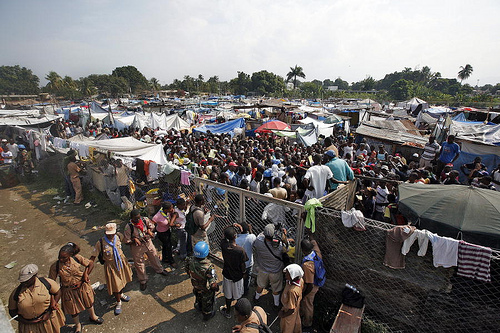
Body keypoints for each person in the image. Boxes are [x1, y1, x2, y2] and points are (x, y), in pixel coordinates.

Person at [49, 242, 103, 332]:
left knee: (88, 302)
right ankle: (78, 325)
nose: (61, 259)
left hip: (82, 286)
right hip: (68, 291)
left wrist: (83, 278)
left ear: (70, 255)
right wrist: (53, 299)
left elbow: (90, 264)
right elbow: (51, 283)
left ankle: (93, 316)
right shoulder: (55, 266)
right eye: (60, 257)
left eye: (64, 257)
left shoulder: (77, 258)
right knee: (73, 309)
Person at [90, 222, 133, 315]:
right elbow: (93, 256)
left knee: (122, 280)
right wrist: (87, 268)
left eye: (112, 234)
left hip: (121, 262)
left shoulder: (118, 236)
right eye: (108, 234)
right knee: (115, 285)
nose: (110, 236)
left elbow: (126, 241)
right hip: (111, 266)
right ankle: (118, 302)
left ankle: (121, 294)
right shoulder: (100, 243)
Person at [8, 264, 65, 333]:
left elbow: (58, 292)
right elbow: (12, 312)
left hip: (48, 320)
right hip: (30, 327)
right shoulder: (16, 293)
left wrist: (50, 310)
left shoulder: (46, 283)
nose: (24, 282)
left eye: (27, 280)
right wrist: (27, 322)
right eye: (22, 281)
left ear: (34, 276)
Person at [124, 209, 168, 291]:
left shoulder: (144, 220)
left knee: (154, 256)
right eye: (135, 218)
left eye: (138, 218)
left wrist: (149, 231)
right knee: (139, 263)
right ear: (131, 218)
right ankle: (143, 280)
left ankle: (159, 269)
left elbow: (152, 228)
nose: (137, 220)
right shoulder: (128, 227)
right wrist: (134, 240)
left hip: (148, 242)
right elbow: (126, 241)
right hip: (137, 246)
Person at [253, 224, 289, 308]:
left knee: (260, 285)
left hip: (263, 269)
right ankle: (276, 304)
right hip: (275, 271)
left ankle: (256, 298)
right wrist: (285, 237)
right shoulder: (279, 246)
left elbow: (260, 236)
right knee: (276, 288)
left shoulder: (258, 241)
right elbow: (287, 249)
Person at [185, 241, 219, 321]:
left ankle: (199, 307)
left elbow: (187, 271)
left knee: (198, 297)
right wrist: (216, 288)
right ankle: (207, 315)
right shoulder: (208, 267)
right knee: (207, 302)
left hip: (196, 286)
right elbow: (212, 284)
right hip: (205, 290)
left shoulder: (189, 260)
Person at [220, 226, 248, 319]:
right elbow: (242, 265)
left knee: (228, 296)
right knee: (238, 295)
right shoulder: (240, 250)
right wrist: (244, 273)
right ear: (235, 236)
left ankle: (228, 311)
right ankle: (239, 311)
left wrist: (229, 229)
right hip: (238, 276)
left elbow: (223, 236)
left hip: (227, 275)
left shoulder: (223, 245)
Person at [300, 238, 323, 330]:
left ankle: (307, 323)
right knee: (305, 304)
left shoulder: (307, 265)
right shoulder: (317, 253)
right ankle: (302, 313)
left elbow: (310, 284)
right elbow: (314, 241)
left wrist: (304, 294)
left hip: (312, 286)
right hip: (319, 280)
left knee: (308, 304)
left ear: (303, 250)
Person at [279, 264, 304, 333]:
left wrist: (282, 314)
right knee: (296, 326)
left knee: (287, 328)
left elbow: (291, 309)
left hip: (288, 313)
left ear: (293, 275)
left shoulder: (292, 291)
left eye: (288, 274)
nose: (285, 275)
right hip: (296, 309)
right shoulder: (300, 280)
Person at [235, 222, 257, 296]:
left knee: (239, 278)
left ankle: (238, 292)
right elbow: (253, 237)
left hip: (238, 264)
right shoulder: (252, 237)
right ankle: (245, 292)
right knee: (247, 279)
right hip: (248, 263)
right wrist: (250, 230)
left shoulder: (236, 240)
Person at [152, 201, 176, 267]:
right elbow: (152, 223)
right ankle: (171, 261)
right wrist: (151, 231)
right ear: (166, 209)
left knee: (165, 246)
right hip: (162, 233)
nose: (172, 209)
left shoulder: (166, 212)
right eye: (171, 208)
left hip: (167, 230)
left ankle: (165, 258)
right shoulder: (158, 216)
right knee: (168, 246)